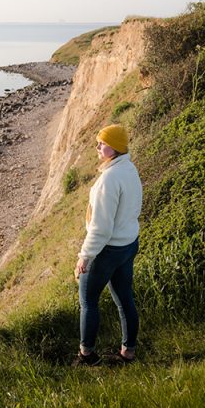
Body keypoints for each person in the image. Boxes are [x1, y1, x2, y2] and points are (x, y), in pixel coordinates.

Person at [72, 124, 142, 366]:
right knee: (125, 300)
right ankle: (127, 353)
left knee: (88, 302)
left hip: (107, 251)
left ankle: (87, 356)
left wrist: (85, 256)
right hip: (128, 244)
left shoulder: (109, 180)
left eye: (101, 143)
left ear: (114, 148)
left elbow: (101, 228)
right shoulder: (129, 169)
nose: (97, 147)